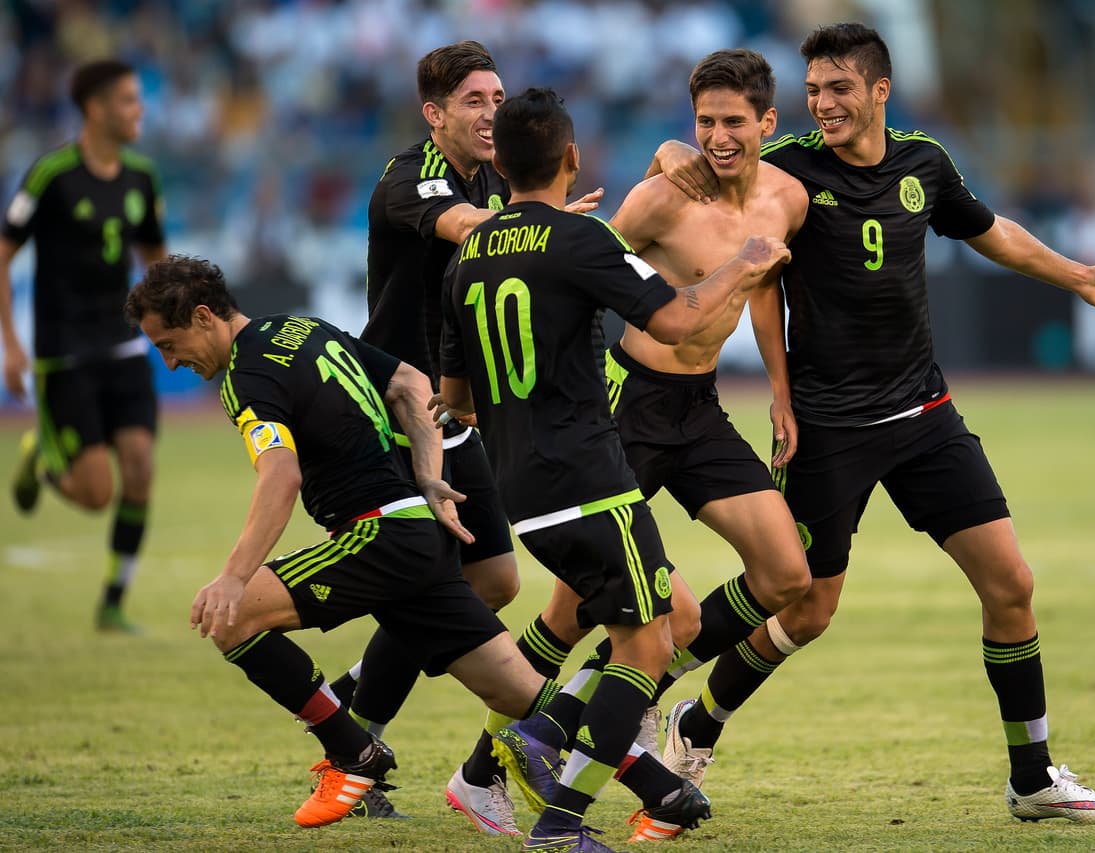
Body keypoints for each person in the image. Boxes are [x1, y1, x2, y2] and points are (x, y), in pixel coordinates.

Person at [651, 23, 1095, 824]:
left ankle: (1033, 776)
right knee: (804, 608)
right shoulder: (790, 173)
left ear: (881, 90)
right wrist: (778, 391)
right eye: (813, 91)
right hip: (829, 428)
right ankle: (680, 706)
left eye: (839, 89)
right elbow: (732, 230)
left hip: (924, 415)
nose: (824, 104)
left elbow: (997, 237)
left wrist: (1078, 274)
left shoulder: (926, 162)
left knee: (1012, 583)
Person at [438, 88, 790, 853]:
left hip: (519, 487)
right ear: (570, 158)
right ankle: (559, 823)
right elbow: (681, 317)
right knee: (645, 648)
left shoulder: (468, 254)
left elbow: (454, 400)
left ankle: (524, 767)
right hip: (589, 473)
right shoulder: (582, 239)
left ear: (499, 164)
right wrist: (746, 263)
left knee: (677, 620)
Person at [123, 255, 563, 829]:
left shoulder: (246, 378)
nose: (171, 361)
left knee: (231, 617)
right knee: (521, 691)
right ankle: (657, 782)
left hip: (374, 534)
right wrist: (428, 474)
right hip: (415, 529)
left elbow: (281, 476)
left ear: (204, 316)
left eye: (169, 342)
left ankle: (353, 752)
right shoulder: (299, 327)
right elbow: (409, 382)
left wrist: (233, 575)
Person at [337, 41, 604, 831]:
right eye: (475, 101)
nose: (493, 113)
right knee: (427, 584)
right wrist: (547, 226)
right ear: (436, 114)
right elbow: (464, 228)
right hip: (391, 411)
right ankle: (354, 745)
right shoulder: (409, 178)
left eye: (498, 98)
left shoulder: (494, 178)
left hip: (451, 410)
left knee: (491, 581)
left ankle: (346, 703)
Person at [2, 59, 166, 633]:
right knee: (96, 493)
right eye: (127, 100)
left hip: (122, 343)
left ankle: (113, 600)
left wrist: (173, 325)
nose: (138, 110)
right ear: (95, 109)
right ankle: (43, 462)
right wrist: (13, 347)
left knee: (141, 468)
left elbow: (154, 260)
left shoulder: (142, 176)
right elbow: (3, 254)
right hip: (63, 351)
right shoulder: (50, 175)